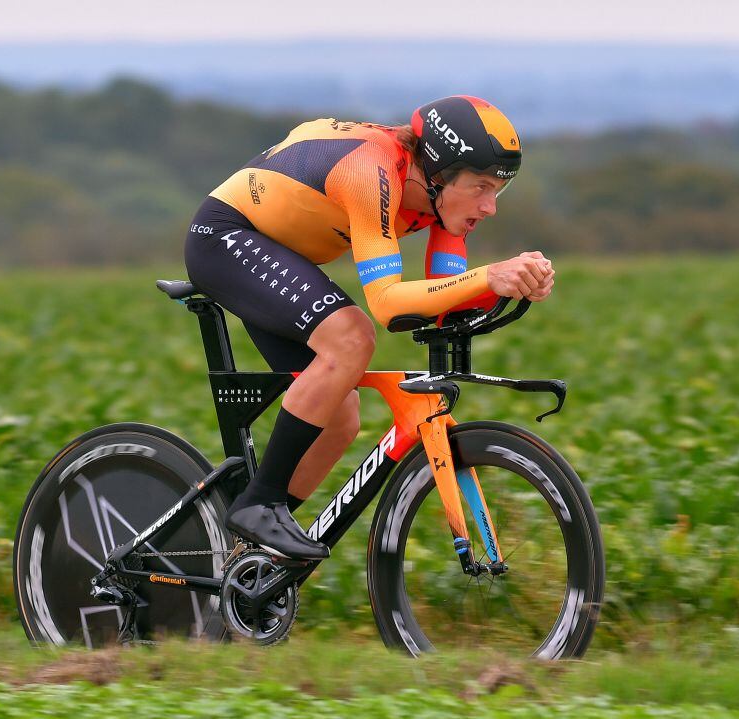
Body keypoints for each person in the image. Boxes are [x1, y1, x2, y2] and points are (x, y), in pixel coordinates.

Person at [184, 95, 555, 560]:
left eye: (497, 190)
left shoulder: (442, 204)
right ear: (439, 173)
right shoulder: (371, 171)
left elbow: (442, 298)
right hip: (226, 237)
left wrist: (510, 284)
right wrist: (487, 275)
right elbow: (387, 306)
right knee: (352, 336)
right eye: (481, 187)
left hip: (281, 255)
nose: (490, 206)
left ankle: (247, 555)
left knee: (340, 418)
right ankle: (260, 504)